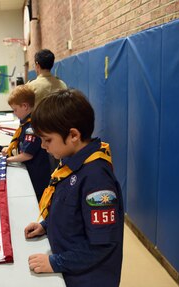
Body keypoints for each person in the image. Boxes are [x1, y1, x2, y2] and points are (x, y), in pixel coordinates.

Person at [24, 89, 124, 287]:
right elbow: (70, 212)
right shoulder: (70, 160)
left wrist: (55, 262)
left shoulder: (97, 180)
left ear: (73, 135)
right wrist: (46, 225)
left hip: (87, 278)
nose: (43, 146)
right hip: (68, 266)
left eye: (47, 139)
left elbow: (101, 245)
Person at [1, 85, 50, 201]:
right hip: (30, 170)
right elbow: (21, 143)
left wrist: (6, 160)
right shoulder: (25, 123)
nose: (14, 113)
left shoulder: (32, 126)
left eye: (15, 110)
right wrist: (9, 149)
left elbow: (27, 154)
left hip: (37, 175)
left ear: (25, 106)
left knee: (36, 202)